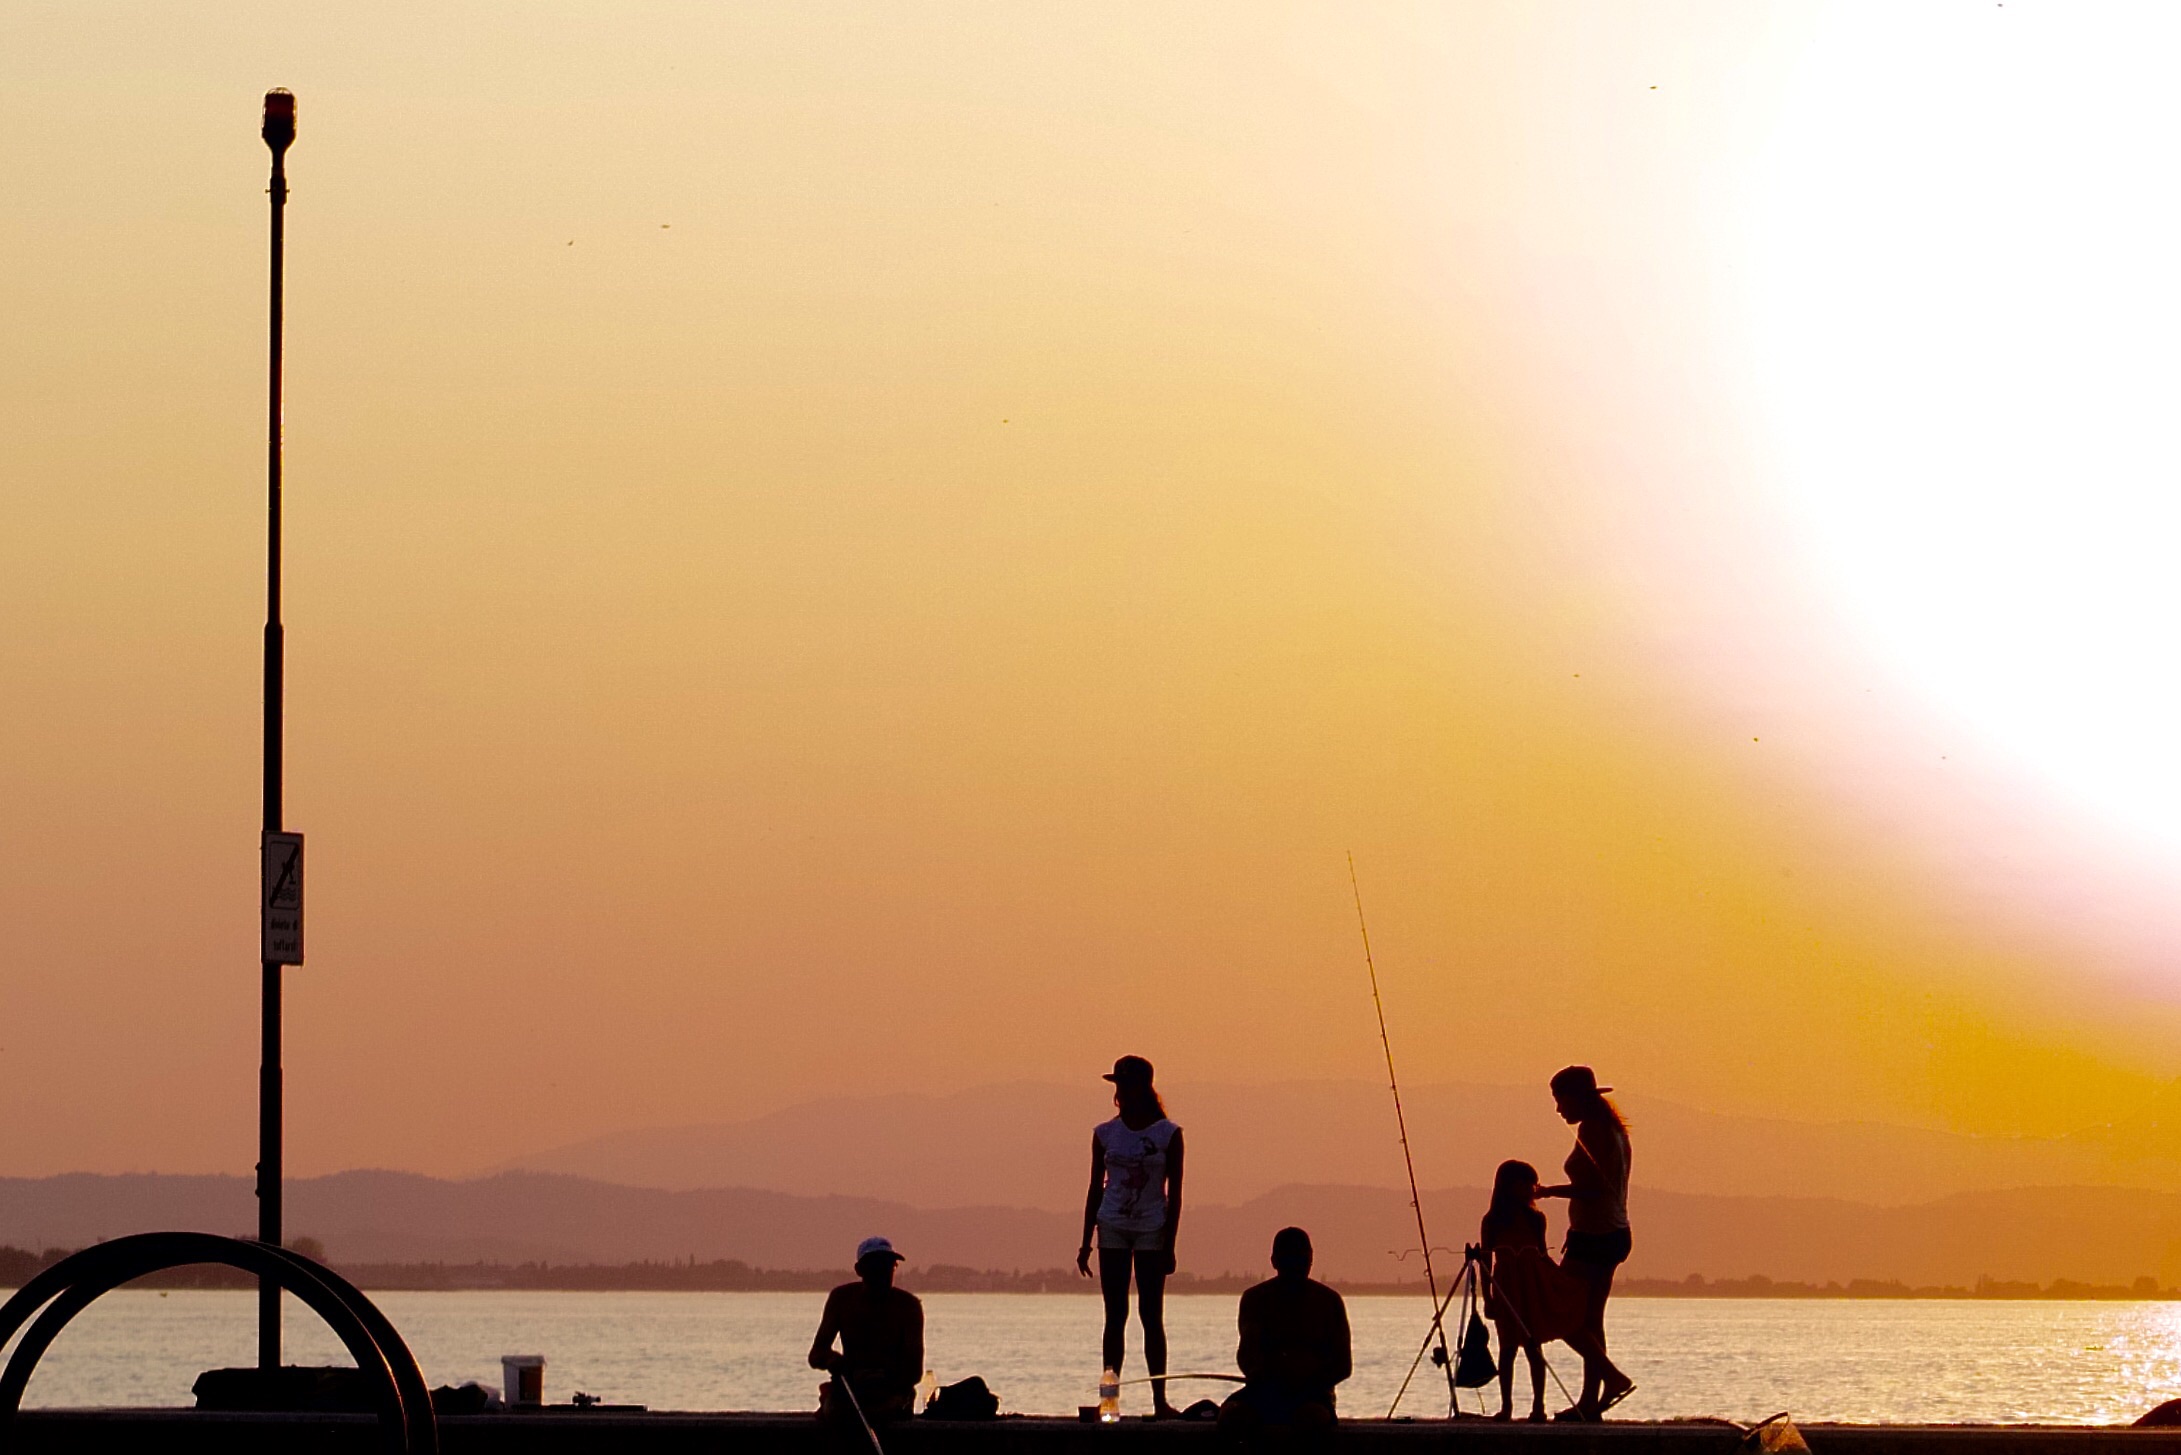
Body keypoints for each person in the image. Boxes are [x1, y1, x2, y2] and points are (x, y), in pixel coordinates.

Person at [1076, 1055, 1185, 1417]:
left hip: (1152, 1225)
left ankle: (1159, 1400)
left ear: (1142, 1088)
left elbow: (1176, 1193)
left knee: (1151, 1315)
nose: (1120, 1092)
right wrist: (1084, 1241)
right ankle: (1110, 1398)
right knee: (1115, 1315)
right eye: (1117, 1085)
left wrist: (1170, 1244)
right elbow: (1095, 1188)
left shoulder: (1168, 1135)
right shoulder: (1105, 1134)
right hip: (1112, 1226)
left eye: (1125, 1084)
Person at [1537, 1065, 1636, 1419]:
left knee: (1558, 1312)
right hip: (1613, 1234)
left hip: (1594, 1237)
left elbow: (1593, 1189)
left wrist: (1548, 1192)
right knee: (1591, 1321)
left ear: (1576, 1098)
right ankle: (1590, 1404)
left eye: (1559, 1100)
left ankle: (1612, 1377)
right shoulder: (1613, 1130)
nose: (1558, 1109)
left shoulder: (1593, 1130)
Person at [1477, 1159, 1591, 1422]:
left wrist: (1561, 1281)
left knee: (1533, 1346)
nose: (1531, 1188)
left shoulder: (1536, 1218)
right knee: (1507, 1349)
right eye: (1525, 1183)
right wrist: (1488, 1296)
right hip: (1506, 1286)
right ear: (1508, 1186)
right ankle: (1506, 1407)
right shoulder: (1493, 1220)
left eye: (1533, 1183)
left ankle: (1538, 1406)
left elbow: (1542, 1255)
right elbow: (1485, 1259)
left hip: (1532, 1286)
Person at [1218, 1227, 1350, 1449]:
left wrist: (1308, 1378)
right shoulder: (1255, 1299)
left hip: (1314, 1395)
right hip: (1264, 1392)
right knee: (1232, 1417)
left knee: (1309, 1420)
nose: (1296, 1264)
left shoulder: (1329, 1301)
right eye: (1289, 1257)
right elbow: (1247, 1357)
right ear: (1274, 1261)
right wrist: (1263, 1373)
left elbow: (1343, 1366)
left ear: (1311, 1259)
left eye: (1301, 1257)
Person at [809, 1236, 925, 1426]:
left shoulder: (908, 1306)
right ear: (860, 1270)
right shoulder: (841, 1299)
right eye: (875, 1267)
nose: (883, 1273)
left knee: (884, 1413)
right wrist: (832, 1360)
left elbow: (914, 1371)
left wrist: (882, 1380)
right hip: (850, 1391)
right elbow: (816, 1354)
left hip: (892, 1393)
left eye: (889, 1266)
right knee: (836, 1413)